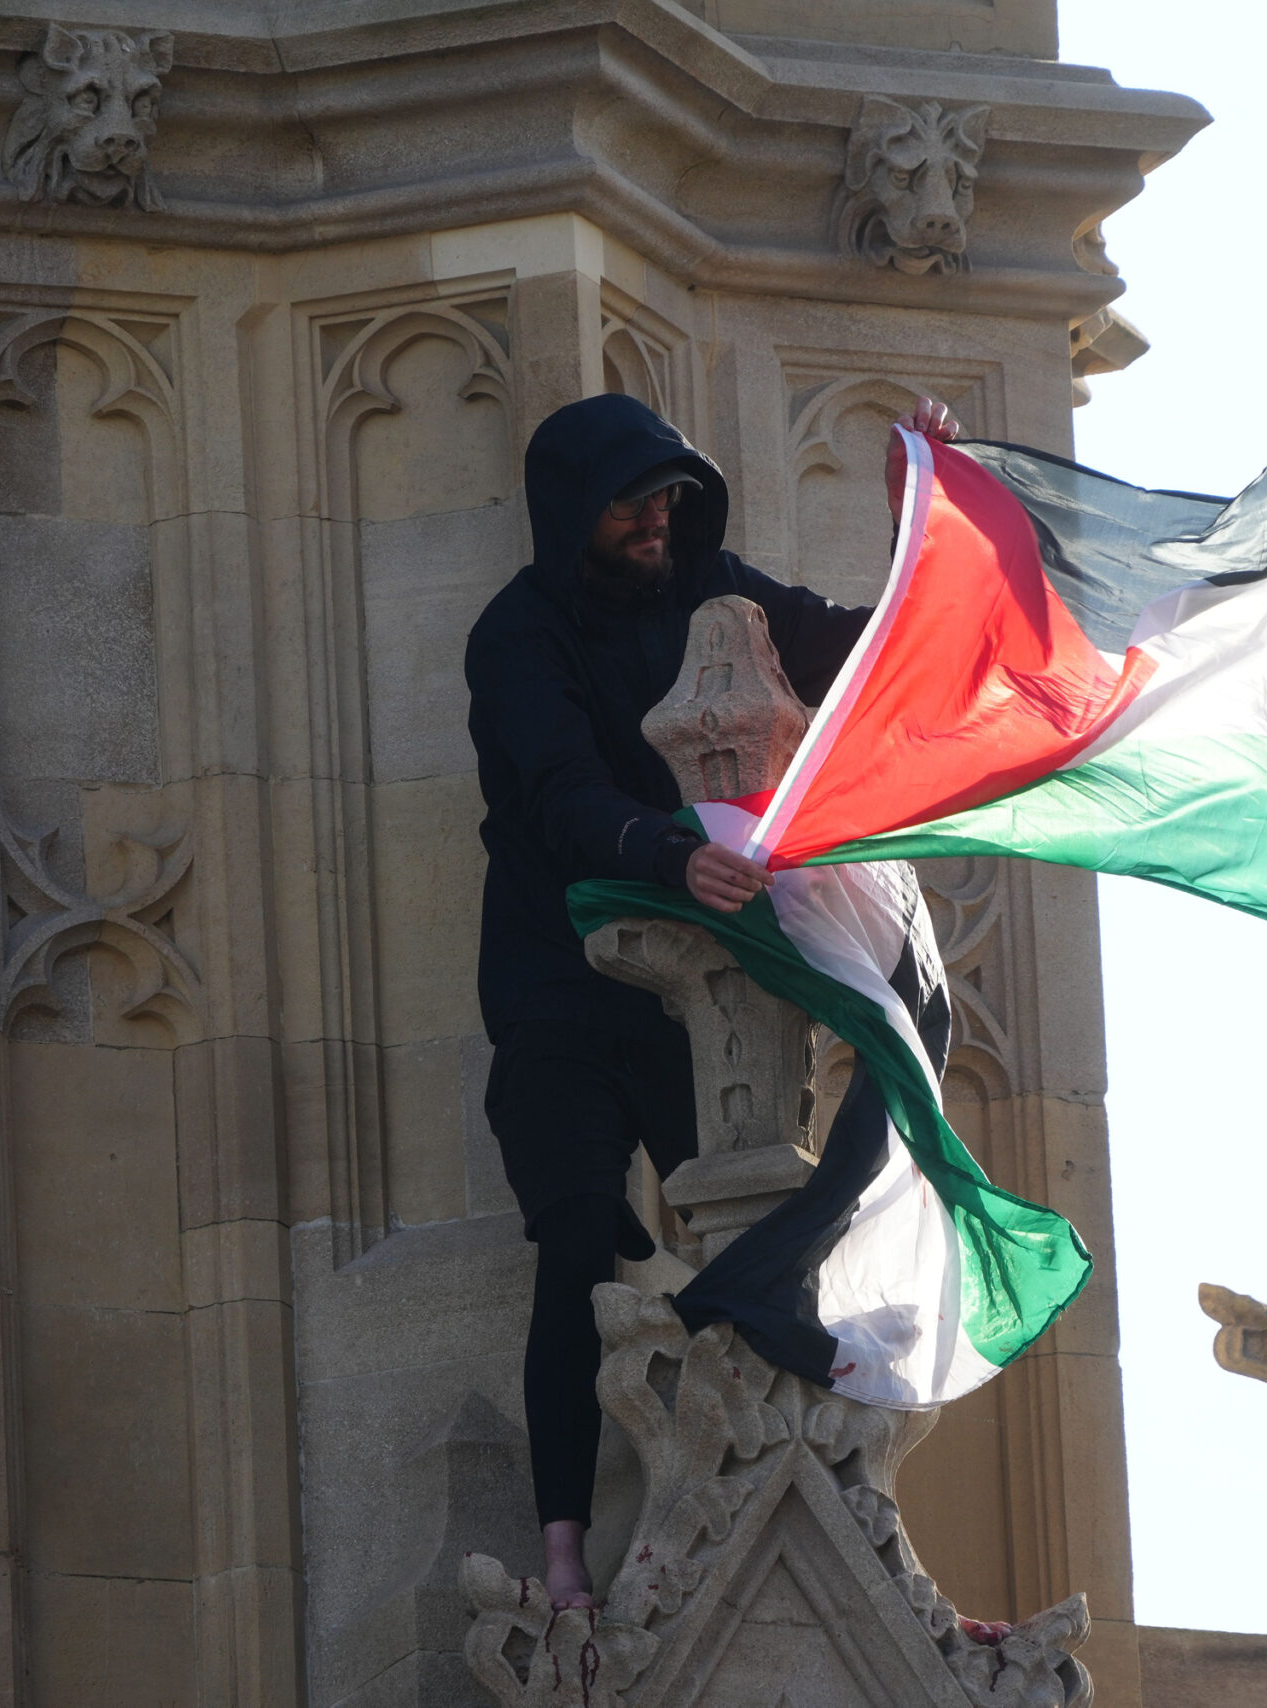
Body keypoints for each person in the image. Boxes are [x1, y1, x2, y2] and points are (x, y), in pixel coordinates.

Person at [465, 390, 957, 1611]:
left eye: (668, 498)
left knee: (775, 1243)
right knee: (579, 1236)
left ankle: (846, 1539)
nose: (654, 519)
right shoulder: (517, 636)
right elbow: (558, 794)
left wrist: (920, 522)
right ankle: (569, 1554)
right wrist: (662, 846)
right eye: (631, 501)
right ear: (575, 512)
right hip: (563, 986)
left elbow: (856, 657)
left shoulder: (711, 582)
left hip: (712, 986)